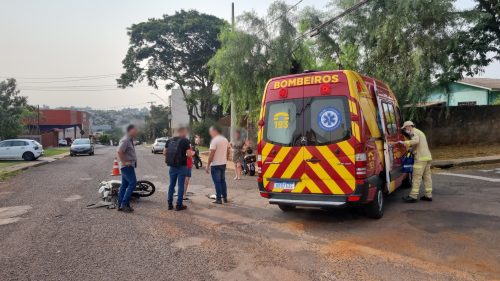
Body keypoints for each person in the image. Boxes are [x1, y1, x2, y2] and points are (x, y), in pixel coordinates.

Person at [398, 121, 433, 203]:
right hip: (427, 157)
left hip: (420, 158)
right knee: (427, 177)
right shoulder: (419, 132)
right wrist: (412, 149)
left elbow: (416, 141)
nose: (406, 130)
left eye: (405, 128)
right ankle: (428, 195)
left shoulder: (414, 132)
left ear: (409, 126)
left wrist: (404, 143)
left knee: (416, 177)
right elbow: (419, 144)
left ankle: (413, 196)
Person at [164, 126, 192, 211]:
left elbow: (164, 152)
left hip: (172, 166)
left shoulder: (169, 140)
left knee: (171, 185)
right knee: (180, 186)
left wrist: (172, 158)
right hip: (182, 166)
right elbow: (189, 155)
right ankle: (179, 205)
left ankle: (169, 204)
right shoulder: (185, 141)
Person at [116, 124, 139, 213]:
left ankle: (120, 204)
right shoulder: (126, 140)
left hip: (127, 166)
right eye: (135, 130)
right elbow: (119, 151)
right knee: (133, 183)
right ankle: (125, 204)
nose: (137, 132)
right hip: (127, 166)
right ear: (130, 130)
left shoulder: (129, 140)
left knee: (124, 186)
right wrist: (125, 162)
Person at [205, 126, 230, 204]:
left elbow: (211, 154)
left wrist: (207, 165)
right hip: (223, 163)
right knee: (223, 181)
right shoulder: (225, 139)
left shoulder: (214, 141)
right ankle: (225, 198)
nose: (210, 134)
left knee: (217, 182)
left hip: (215, 164)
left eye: (211, 132)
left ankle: (218, 199)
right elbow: (228, 150)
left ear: (214, 131)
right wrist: (226, 159)